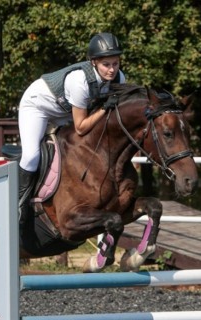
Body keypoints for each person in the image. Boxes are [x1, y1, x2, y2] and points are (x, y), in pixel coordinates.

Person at [17, 32, 127, 215]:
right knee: (31, 156)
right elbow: (81, 126)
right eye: (106, 64)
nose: (112, 70)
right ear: (94, 62)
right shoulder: (80, 81)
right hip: (37, 106)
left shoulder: (119, 78)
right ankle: (19, 206)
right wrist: (103, 109)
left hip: (63, 111)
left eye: (115, 63)